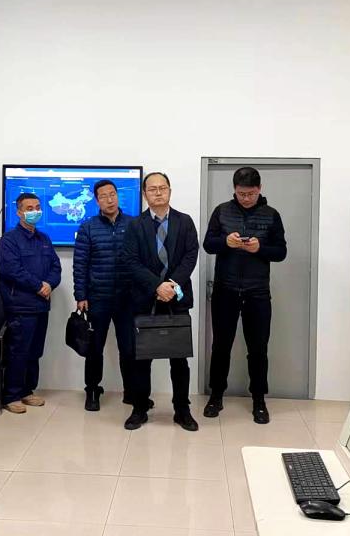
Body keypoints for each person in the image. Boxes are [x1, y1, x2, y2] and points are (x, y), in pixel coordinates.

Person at [202, 166, 287, 424]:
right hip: (225, 290)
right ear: (234, 190)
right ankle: (216, 396)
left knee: (258, 349)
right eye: (241, 193)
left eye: (250, 193)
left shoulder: (271, 215)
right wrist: (225, 243)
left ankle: (259, 400)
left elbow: (281, 252)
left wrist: (260, 248)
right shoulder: (221, 211)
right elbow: (208, 244)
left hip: (257, 292)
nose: (246, 198)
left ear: (259, 189)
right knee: (221, 347)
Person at [122, 172, 200, 432]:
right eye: (152, 189)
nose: (158, 192)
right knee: (141, 359)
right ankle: (139, 408)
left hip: (177, 299)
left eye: (162, 188)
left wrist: (172, 284)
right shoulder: (135, 225)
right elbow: (130, 260)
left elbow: (190, 255)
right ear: (145, 194)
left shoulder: (184, 221)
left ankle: (182, 410)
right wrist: (157, 285)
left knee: (179, 360)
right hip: (146, 299)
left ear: (170, 191)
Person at [0, 193, 62, 414]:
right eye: (29, 208)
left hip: (41, 305)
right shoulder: (9, 240)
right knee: (18, 351)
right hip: (20, 306)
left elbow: (56, 267)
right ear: (19, 212)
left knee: (35, 352)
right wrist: (38, 286)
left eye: (37, 207)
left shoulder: (44, 239)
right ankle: (11, 395)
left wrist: (49, 284)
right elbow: (11, 270)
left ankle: (27, 391)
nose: (34, 211)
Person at [73, 179, 135, 411]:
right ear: (97, 200)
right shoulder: (88, 227)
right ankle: (92, 390)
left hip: (127, 298)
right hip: (98, 298)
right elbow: (80, 265)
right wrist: (81, 295)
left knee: (129, 348)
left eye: (112, 194)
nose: (109, 199)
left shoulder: (133, 224)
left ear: (117, 196)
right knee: (94, 348)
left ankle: (131, 391)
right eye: (103, 196)